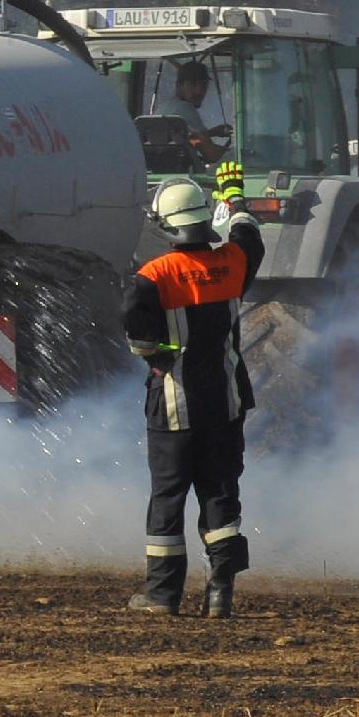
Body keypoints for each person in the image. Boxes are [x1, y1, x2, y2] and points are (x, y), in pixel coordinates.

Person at [121, 177, 263, 617]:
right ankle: (220, 592)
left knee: (168, 497)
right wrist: (234, 198)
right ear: (202, 221)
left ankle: (162, 595)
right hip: (225, 403)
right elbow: (248, 234)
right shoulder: (234, 262)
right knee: (220, 492)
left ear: (165, 226)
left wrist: (158, 354)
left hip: (173, 407)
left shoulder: (152, 277)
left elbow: (138, 336)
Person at [154, 60, 228, 164]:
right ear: (179, 85)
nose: (199, 91)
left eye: (203, 85)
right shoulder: (185, 108)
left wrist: (210, 133)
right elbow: (212, 154)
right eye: (193, 84)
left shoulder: (163, 108)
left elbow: (187, 142)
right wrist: (237, 153)